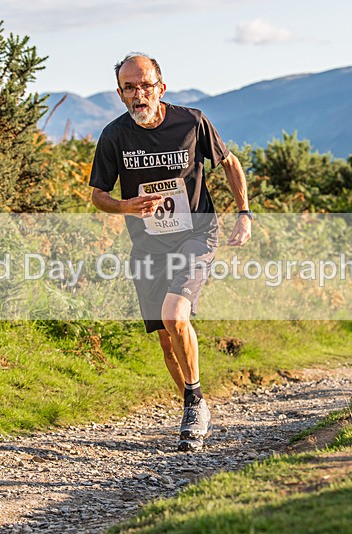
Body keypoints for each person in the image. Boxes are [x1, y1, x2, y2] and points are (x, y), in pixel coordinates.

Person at [89, 52, 252, 451]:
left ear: (161, 87)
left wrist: (244, 213)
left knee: (174, 314)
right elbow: (98, 195)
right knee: (166, 340)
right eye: (129, 88)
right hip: (148, 245)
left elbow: (229, 163)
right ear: (120, 94)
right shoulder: (114, 136)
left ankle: (193, 406)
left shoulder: (191, 122)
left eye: (146, 85)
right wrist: (125, 206)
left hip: (196, 235)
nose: (138, 94)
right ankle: (195, 406)